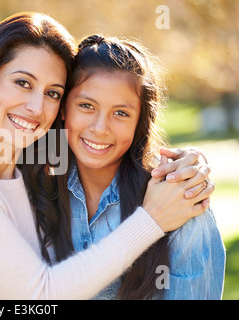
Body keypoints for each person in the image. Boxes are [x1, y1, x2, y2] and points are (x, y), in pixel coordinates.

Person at [0, 12, 214, 299]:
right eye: (22, 83)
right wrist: (152, 220)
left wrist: (190, 162)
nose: (36, 107)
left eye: (52, 93)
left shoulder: (30, 179)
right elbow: (41, 296)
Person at [61, 35, 225, 299]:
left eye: (121, 113)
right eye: (86, 106)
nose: (100, 128)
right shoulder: (33, 189)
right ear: (63, 108)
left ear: (140, 121)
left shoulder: (182, 199)